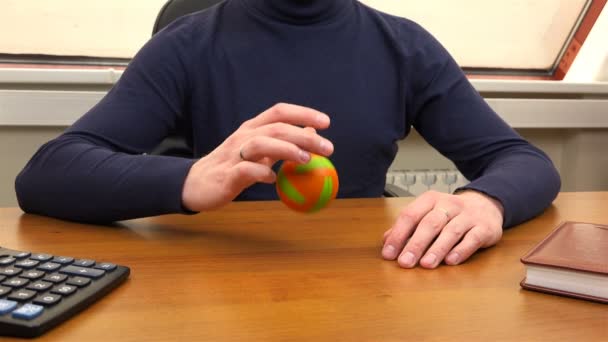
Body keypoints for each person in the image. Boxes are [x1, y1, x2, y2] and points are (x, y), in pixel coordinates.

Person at [15, 0, 560, 269]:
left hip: (363, 282)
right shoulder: (188, 42)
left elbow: (524, 161)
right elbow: (47, 173)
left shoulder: (404, 46)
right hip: (218, 286)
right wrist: (190, 178)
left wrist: (486, 200)